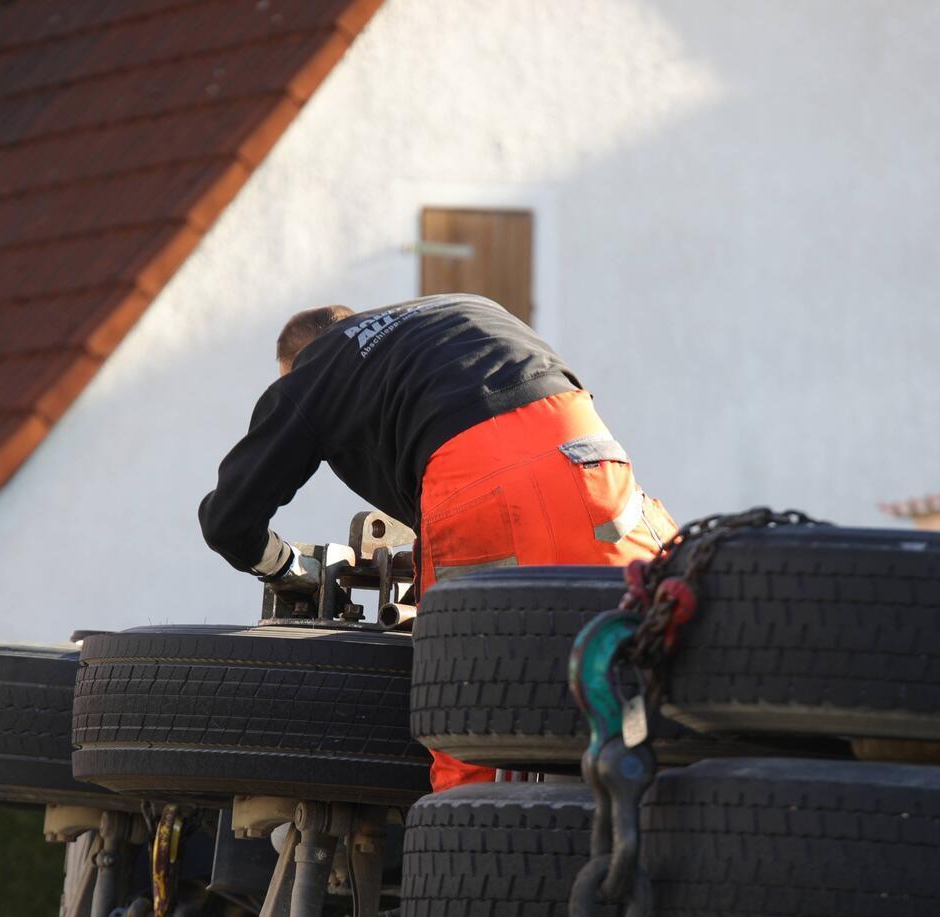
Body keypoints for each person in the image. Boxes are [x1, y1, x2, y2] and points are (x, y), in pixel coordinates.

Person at [199, 294, 677, 792]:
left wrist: (282, 565)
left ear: (296, 363)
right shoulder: (459, 309)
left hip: (478, 479)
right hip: (589, 455)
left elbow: (228, 521)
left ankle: (465, 837)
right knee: (656, 649)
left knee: (465, 714)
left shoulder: (315, 367)